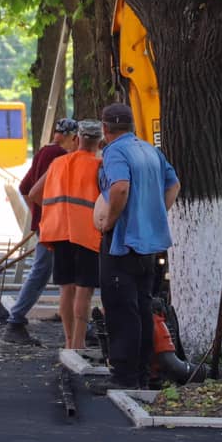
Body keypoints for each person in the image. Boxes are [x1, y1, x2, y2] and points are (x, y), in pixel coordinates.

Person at [90, 103, 180, 392]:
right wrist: (154, 215)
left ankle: (124, 377)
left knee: (120, 310)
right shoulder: (149, 150)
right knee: (141, 308)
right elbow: (174, 185)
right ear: (131, 126)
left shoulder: (115, 151)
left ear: (105, 129)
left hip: (122, 243)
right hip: (148, 245)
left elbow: (119, 187)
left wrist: (111, 221)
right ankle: (142, 374)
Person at [1, 118, 79, 345]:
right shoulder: (60, 156)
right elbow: (35, 192)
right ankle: (15, 322)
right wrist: (49, 213)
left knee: (46, 272)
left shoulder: (44, 152)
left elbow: (25, 189)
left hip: (45, 224)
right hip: (54, 227)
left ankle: (66, 318)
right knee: (44, 272)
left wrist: (37, 213)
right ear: (72, 137)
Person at [30, 119, 102, 350]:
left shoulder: (58, 163)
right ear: (99, 142)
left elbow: (34, 194)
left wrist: (54, 211)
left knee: (66, 289)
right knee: (84, 290)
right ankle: (78, 344)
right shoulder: (100, 165)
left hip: (59, 232)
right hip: (88, 233)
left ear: (78, 139)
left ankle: (69, 339)